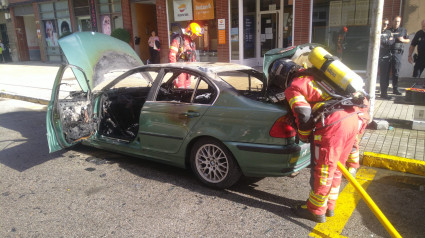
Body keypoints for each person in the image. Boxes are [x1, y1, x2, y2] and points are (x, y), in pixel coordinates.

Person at [270, 60, 369, 223]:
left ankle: (315, 210)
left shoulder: (295, 85)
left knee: (323, 169)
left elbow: (303, 114)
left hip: (333, 125)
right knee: (337, 167)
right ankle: (329, 206)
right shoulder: (316, 75)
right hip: (353, 116)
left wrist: (303, 135)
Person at [169, 22, 203, 88]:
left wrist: (195, 68)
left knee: (188, 89)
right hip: (179, 70)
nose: (196, 36)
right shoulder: (178, 40)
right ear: (190, 32)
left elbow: (193, 57)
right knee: (180, 89)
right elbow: (172, 56)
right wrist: (175, 70)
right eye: (195, 34)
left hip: (188, 71)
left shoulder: (192, 43)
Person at [389, 16, 410, 95]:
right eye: (395, 21)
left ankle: (395, 89)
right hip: (388, 52)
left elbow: (408, 40)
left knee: (396, 71)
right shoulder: (388, 30)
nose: (396, 23)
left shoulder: (403, 30)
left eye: (398, 21)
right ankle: (383, 89)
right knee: (385, 71)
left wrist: (403, 40)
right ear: (392, 21)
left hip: (397, 52)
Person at [379, 18, 395, 99]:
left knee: (384, 76)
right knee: (371, 75)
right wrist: (386, 42)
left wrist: (384, 42)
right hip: (375, 57)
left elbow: (392, 42)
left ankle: (384, 94)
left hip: (385, 57)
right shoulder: (376, 30)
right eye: (384, 23)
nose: (385, 25)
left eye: (387, 24)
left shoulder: (389, 32)